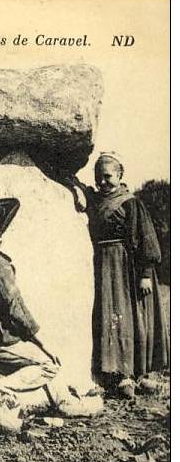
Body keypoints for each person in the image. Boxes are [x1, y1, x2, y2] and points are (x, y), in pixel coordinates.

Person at [0, 198, 103, 433]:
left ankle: (63, 401)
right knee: (48, 363)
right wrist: (43, 341)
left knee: (41, 353)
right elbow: (15, 309)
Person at [87, 152, 169, 397]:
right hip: (102, 266)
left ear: (120, 175)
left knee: (133, 317)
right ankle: (118, 375)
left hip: (127, 267)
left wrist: (145, 273)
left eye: (107, 177)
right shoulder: (94, 201)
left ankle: (139, 375)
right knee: (111, 317)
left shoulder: (131, 203)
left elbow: (147, 239)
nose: (102, 182)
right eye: (98, 177)